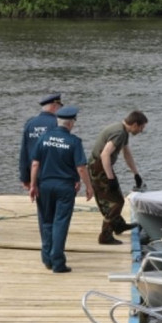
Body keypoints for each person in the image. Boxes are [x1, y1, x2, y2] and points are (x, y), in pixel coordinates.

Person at [29, 105, 94, 273]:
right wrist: (89, 186)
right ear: (71, 123)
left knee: (46, 221)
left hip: (44, 186)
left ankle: (47, 258)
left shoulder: (43, 138)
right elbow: (81, 167)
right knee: (60, 223)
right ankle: (58, 263)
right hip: (65, 187)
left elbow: (35, 164)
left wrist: (32, 185)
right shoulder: (74, 141)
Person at [88, 110, 148, 245]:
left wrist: (136, 173)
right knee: (115, 203)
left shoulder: (123, 131)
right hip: (99, 168)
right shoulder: (120, 133)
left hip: (100, 167)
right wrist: (110, 178)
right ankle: (105, 236)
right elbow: (105, 155)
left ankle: (118, 225)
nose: (141, 131)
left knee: (117, 197)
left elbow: (127, 154)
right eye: (141, 127)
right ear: (135, 124)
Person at [19, 93, 62, 190]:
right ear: (54, 107)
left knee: (42, 203)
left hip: (36, 175)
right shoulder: (57, 123)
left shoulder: (30, 124)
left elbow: (24, 153)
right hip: (55, 175)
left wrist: (25, 177)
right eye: (59, 107)